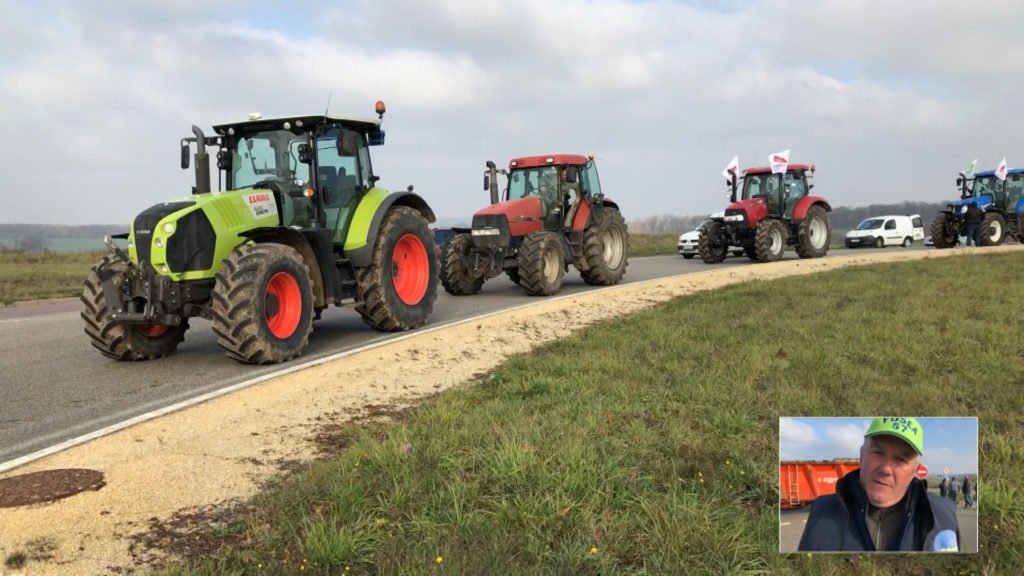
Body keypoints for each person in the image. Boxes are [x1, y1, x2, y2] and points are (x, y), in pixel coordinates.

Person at [798, 417, 961, 552]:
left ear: (914, 471)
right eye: (877, 453)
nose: (886, 469)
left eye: (901, 459)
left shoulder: (944, 515)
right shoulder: (821, 509)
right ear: (861, 456)